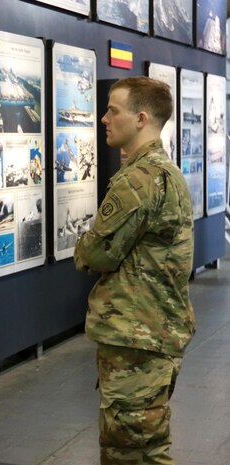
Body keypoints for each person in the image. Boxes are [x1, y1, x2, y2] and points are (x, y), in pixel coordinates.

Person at [74, 76, 195, 465]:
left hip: (137, 339)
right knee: (144, 446)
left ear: (141, 119)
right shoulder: (164, 172)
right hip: (151, 332)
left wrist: (81, 248)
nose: (104, 118)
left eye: (113, 110)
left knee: (129, 451)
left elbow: (97, 253)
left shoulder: (139, 179)